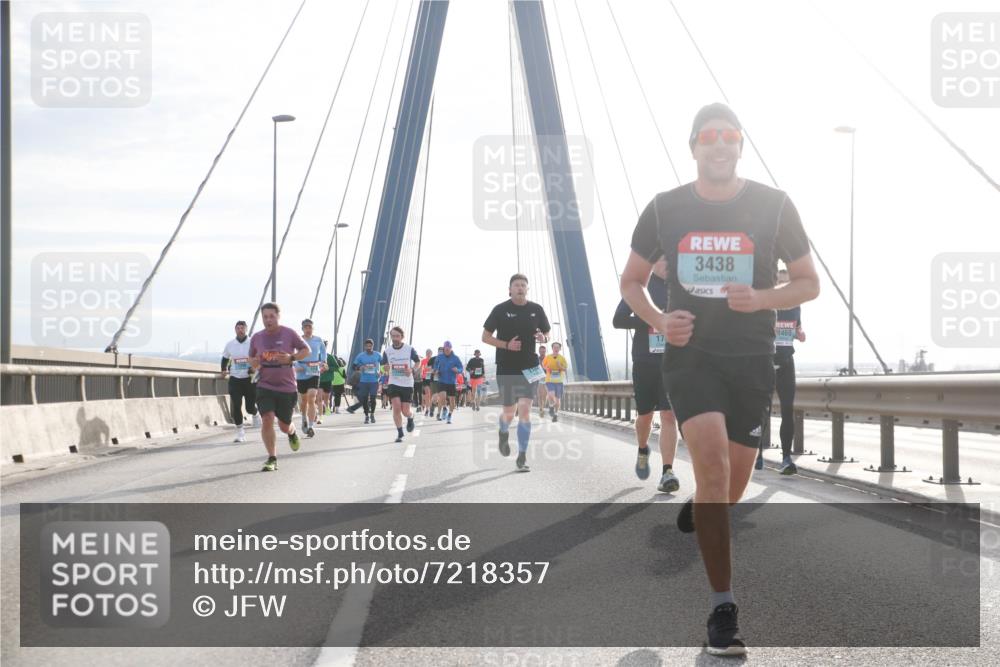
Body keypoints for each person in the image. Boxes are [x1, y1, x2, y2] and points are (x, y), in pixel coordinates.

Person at [619, 103, 819, 655]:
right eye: (708, 136)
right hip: (692, 359)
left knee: (729, 489)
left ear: (740, 145)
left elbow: (808, 283)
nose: (720, 144)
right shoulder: (664, 208)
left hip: (752, 362)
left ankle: (704, 506)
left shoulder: (774, 205)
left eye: (729, 135)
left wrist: (763, 298)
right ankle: (722, 611)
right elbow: (631, 280)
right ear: (694, 147)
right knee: (712, 470)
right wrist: (659, 319)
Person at [613, 257, 680, 493]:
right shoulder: (641, 287)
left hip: (672, 362)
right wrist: (651, 319)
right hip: (645, 361)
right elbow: (618, 320)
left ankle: (668, 471)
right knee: (645, 416)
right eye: (663, 259)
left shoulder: (680, 288)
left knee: (669, 415)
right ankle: (643, 449)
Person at [482, 273, 551, 471]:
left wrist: (544, 338)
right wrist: (506, 345)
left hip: (530, 366)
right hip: (507, 366)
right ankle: (503, 432)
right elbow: (485, 337)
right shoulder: (500, 310)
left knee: (525, 410)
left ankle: (522, 456)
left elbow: (547, 332)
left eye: (523, 285)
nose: (520, 288)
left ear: (527, 289)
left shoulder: (536, 309)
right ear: (510, 290)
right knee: (509, 412)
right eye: (516, 285)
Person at [248, 303, 311, 471]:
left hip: (286, 387)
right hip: (265, 384)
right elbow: (251, 358)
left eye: (271, 316)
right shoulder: (257, 337)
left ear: (278, 316)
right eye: (265, 317)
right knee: (267, 418)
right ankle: (272, 458)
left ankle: (292, 432)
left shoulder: (289, 333)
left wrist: (291, 358)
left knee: (284, 426)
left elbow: (306, 350)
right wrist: (254, 363)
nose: (268, 320)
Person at [773, 268, 806, 475]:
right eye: (780, 282)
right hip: (766, 360)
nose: (783, 286)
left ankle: (786, 458)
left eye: (787, 283)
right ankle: (756, 456)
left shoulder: (796, 304)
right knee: (762, 410)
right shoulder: (766, 303)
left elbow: (797, 328)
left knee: (787, 409)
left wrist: (800, 333)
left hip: (786, 360)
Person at [382, 326, 421, 442]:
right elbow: (384, 367)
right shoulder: (387, 351)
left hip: (407, 383)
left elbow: (418, 362)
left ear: (402, 337)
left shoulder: (409, 349)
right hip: (393, 382)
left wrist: (412, 370)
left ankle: (411, 416)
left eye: (397, 336)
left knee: (405, 411)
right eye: (393, 336)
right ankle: (400, 433)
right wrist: (385, 368)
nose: (395, 338)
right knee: (396, 408)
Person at [222, 320, 259, 443]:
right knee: (236, 405)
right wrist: (223, 369)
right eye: (238, 328)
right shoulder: (230, 344)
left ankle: (255, 413)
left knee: (249, 408)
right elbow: (225, 358)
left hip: (249, 379)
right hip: (235, 378)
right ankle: (240, 432)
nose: (240, 330)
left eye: (242, 328)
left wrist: (254, 367)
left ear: (246, 329)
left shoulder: (252, 342)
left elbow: (259, 358)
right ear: (235, 330)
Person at [294, 319, 327, 438]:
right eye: (306, 327)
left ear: (313, 328)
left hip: (314, 370)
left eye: (310, 327)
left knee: (312, 397)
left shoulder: (318, 340)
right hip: (301, 372)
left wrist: (323, 363)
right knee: (304, 401)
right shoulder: (297, 340)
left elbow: (323, 352)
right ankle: (304, 418)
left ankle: (311, 426)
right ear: (302, 329)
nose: (308, 329)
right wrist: (296, 365)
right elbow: (292, 354)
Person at [347, 339, 381, 423]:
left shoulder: (378, 355)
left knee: (373, 399)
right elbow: (353, 367)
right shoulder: (360, 356)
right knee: (365, 400)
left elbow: (384, 364)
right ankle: (366, 416)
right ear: (365, 346)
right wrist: (359, 367)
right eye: (367, 346)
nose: (369, 348)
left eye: (370, 346)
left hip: (374, 381)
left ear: (372, 346)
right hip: (363, 381)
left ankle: (372, 414)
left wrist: (381, 372)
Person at [432, 341, 464, 424]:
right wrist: (436, 370)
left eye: (448, 349)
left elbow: (461, 368)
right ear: (444, 348)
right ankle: (445, 408)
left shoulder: (455, 358)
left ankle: (449, 415)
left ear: (450, 348)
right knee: (442, 396)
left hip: (451, 381)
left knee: (452, 401)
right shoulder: (440, 357)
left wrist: (457, 370)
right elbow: (435, 365)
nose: (446, 350)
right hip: (442, 380)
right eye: (445, 349)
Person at [541, 342, 568, 422]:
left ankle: (556, 414)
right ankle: (551, 406)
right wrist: (546, 368)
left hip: (559, 381)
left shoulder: (562, 358)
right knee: (551, 394)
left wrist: (560, 366)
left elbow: (565, 369)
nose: (556, 349)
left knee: (557, 399)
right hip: (549, 380)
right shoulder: (548, 357)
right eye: (554, 347)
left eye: (557, 347)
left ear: (560, 349)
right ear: (552, 348)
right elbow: (543, 365)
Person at [419, 349, 435, 415]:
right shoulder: (423, 360)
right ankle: (427, 409)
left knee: (431, 394)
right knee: (427, 393)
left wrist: (431, 369)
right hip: (425, 378)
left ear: (431, 354)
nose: (428, 354)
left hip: (432, 377)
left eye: (429, 353)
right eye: (427, 353)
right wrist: (420, 374)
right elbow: (421, 368)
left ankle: (431, 407)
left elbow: (435, 368)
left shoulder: (433, 360)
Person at [535, 345, 548, 418]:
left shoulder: (548, 359)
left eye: (543, 351)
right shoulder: (536, 359)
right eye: (541, 351)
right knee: (539, 396)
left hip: (546, 379)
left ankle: (543, 407)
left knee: (544, 396)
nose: (542, 352)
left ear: (545, 351)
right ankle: (541, 409)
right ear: (539, 351)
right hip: (539, 378)